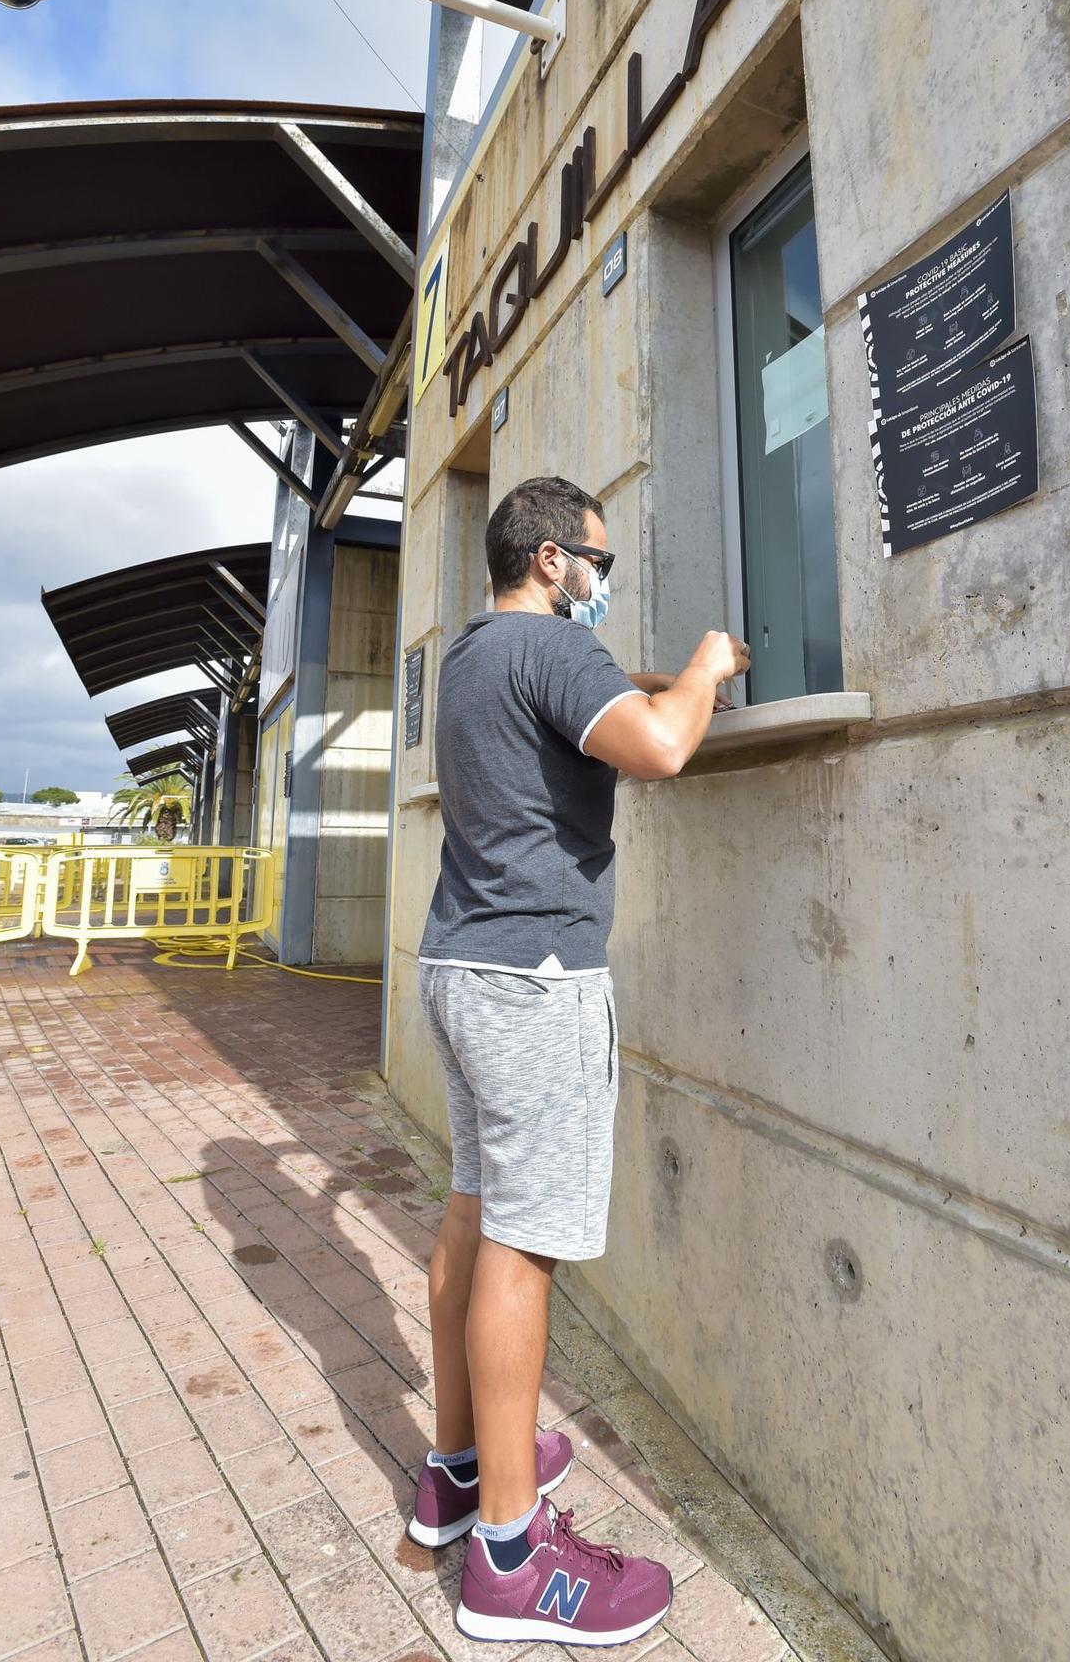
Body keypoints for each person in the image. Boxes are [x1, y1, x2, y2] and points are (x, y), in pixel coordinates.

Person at [406, 475, 750, 1646]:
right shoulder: (551, 650)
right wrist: (701, 671)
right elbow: (655, 747)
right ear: (550, 559)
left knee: (470, 1212)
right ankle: (510, 1553)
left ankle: (457, 1470)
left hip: (456, 965)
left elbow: (580, 711)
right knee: (521, 1245)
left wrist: (646, 676)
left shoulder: (471, 656)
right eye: (595, 559)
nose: (602, 577)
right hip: (532, 985)